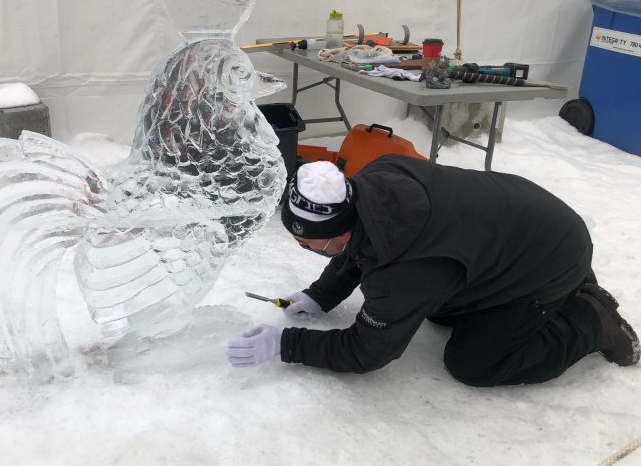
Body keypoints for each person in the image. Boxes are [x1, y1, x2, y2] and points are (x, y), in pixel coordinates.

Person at [225, 156, 639, 386]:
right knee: (436, 307)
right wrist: (322, 294)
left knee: (475, 364)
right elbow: (362, 248)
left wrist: (287, 346)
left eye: (309, 245)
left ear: (341, 231)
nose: (303, 248)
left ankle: (588, 315)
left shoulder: (407, 273)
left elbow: (367, 351)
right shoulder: (374, 180)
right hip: (520, 226)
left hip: (551, 256)